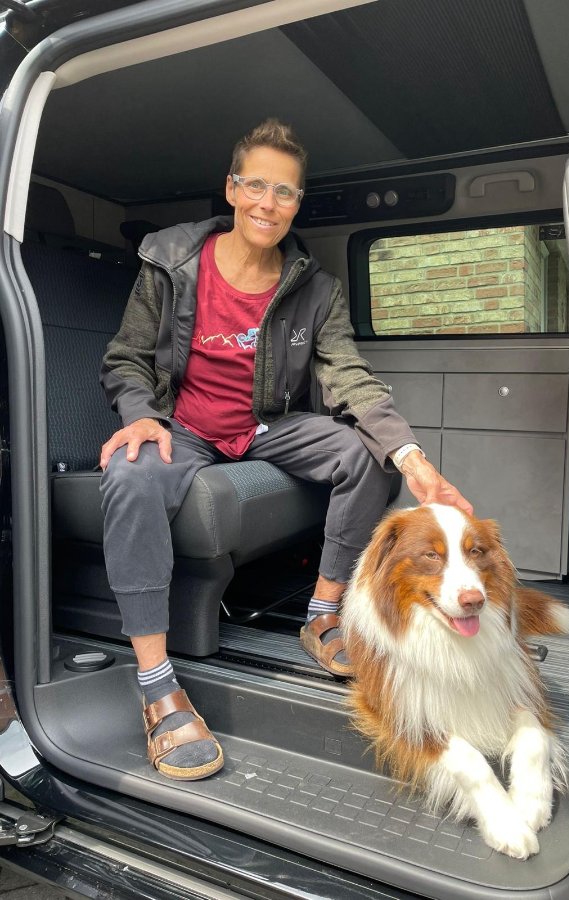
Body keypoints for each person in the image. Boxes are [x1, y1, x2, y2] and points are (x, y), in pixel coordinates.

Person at [99, 118, 472, 782]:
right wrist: (140, 417)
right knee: (131, 474)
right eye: (256, 186)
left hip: (265, 424)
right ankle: (156, 684)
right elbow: (126, 358)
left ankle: (322, 615)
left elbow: (349, 377)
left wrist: (412, 458)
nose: (268, 203)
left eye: (285, 192)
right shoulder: (171, 263)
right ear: (231, 189)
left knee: (365, 453)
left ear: (297, 203)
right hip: (182, 424)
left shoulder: (315, 290)